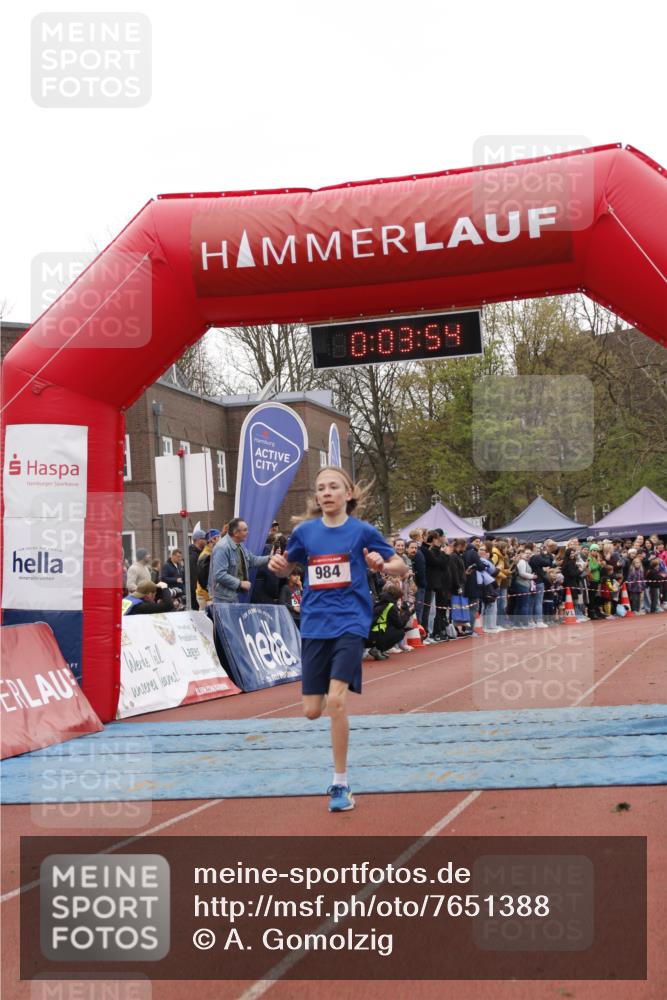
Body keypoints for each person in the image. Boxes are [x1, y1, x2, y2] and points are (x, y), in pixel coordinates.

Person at [268, 465, 407, 813]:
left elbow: (400, 566)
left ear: (348, 494)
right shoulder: (306, 533)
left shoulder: (362, 531)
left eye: (333, 487)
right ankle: (339, 775)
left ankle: (340, 783)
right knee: (312, 711)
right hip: (315, 624)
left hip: (350, 622)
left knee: (336, 702)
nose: (326, 492)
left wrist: (381, 565)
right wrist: (279, 566)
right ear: (317, 497)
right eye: (321, 488)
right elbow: (289, 565)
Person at [210, 517, 270, 602]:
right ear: (236, 533)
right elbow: (219, 574)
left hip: (233, 597)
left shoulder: (240, 545)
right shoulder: (222, 548)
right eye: (245, 530)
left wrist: (270, 558)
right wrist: (240, 583)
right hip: (223, 600)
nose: (248, 532)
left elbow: (252, 560)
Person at [196, 529, 221, 609]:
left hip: (207, 596)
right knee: (205, 620)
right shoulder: (206, 556)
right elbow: (203, 579)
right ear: (212, 540)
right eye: (218, 538)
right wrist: (209, 597)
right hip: (205, 597)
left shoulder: (210, 553)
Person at [188, 530, 207, 607]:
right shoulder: (193, 556)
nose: (206, 541)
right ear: (199, 540)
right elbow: (193, 577)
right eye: (204, 539)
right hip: (197, 595)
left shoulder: (200, 554)